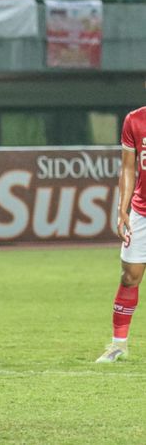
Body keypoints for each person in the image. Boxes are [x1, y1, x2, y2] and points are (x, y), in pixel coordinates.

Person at [97, 106, 146, 363]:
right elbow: (128, 168)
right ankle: (119, 345)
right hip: (142, 212)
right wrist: (122, 208)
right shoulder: (135, 120)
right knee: (130, 276)